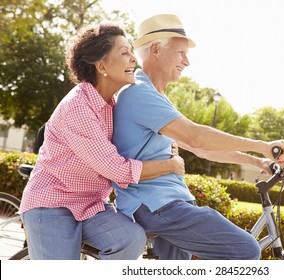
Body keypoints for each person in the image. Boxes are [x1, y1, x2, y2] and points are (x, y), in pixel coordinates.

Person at [112, 14, 284, 260]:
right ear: (156, 49)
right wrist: (262, 146)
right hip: (157, 205)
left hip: (166, 204)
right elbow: (196, 137)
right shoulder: (140, 93)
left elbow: (199, 147)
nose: (187, 62)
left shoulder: (155, 96)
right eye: (181, 53)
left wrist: (257, 162)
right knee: (245, 250)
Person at [19, 21, 185, 260]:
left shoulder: (113, 105)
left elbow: (137, 146)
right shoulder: (78, 107)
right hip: (52, 202)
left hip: (92, 204)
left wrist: (164, 146)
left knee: (131, 239)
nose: (133, 59)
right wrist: (170, 166)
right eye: (124, 53)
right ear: (102, 66)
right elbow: (116, 168)